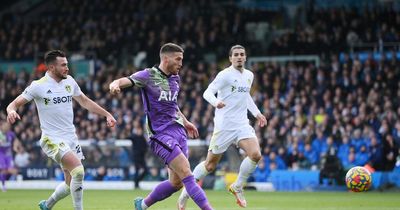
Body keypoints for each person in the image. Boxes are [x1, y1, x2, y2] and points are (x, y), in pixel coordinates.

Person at [6, 50, 116, 210]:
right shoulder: (38, 86)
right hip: (51, 138)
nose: (67, 68)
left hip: (71, 137)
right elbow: (13, 104)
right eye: (63, 65)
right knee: (78, 171)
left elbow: (85, 101)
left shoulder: (69, 81)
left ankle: (47, 205)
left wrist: (107, 114)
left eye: (67, 64)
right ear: (51, 67)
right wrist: (11, 111)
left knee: (69, 183)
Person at [109, 43, 213, 210]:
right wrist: (115, 84)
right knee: (187, 173)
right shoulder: (148, 75)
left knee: (176, 182)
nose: (181, 63)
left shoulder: (175, 78)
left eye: (182, 59)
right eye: (178, 59)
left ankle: (142, 205)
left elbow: (172, 105)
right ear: (166, 58)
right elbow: (126, 80)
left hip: (178, 130)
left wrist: (185, 122)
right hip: (160, 134)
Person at [177, 45, 267, 209]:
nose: (239, 57)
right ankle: (185, 192)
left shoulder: (249, 75)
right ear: (230, 58)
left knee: (255, 154)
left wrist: (257, 113)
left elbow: (245, 95)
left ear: (245, 58)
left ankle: (238, 186)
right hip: (224, 126)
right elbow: (207, 93)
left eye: (242, 54)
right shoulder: (224, 75)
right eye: (236, 55)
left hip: (241, 124)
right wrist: (216, 102)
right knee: (210, 165)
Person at [0, 123, 17, 192]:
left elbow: (16, 140)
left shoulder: (11, 134)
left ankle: (4, 180)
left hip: (9, 155)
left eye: (8, 126)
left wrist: (15, 146)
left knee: (12, 170)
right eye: (5, 126)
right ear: (2, 126)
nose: (7, 127)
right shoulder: (0, 134)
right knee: (3, 169)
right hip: (1, 154)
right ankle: (3, 185)